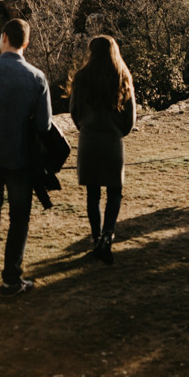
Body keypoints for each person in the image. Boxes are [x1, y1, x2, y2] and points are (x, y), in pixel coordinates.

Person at [0, 18, 53, 296]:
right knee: (19, 217)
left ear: (3, 37)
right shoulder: (36, 77)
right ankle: (11, 278)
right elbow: (45, 126)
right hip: (21, 159)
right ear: (26, 43)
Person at [68, 35, 136, 265]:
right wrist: (117, 132)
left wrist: (85, 128)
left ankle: (96, 237)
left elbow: (74, 112)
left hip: (89, 141)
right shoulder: (122, 77)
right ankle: (107, 236)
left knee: (93, 193)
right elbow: (130, 119)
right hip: (112, 143)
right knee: (114, 192)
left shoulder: (81, 78)